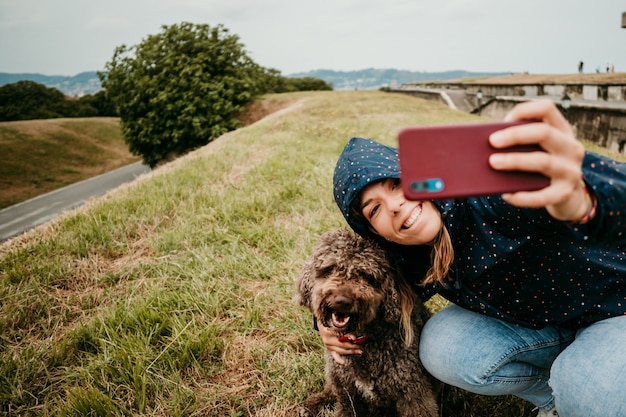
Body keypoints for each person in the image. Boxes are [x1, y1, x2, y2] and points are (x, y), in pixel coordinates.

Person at [319, 100, 626, 417]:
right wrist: (328, 323)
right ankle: (552, 401)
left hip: (615, 308)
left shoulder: (490, 195)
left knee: (585, 390)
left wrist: (584, 200)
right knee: (443, 348)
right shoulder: (409, 256)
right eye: (375, 209)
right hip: (550, 323)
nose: (395, 205)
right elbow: (371, 296)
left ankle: (579, 378)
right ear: (376, 233)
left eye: (396, 184)